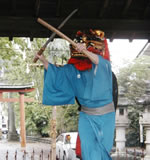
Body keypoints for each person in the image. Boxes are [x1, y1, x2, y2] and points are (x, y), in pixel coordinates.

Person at [35, 29, 116, 160]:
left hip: (105, 115)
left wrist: (85, 51)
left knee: (102, 149)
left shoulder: (103, 65)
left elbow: (98, 62)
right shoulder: (73, 69)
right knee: (88, 149)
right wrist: (44, 61)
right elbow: (58, 74)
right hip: (86, 115)